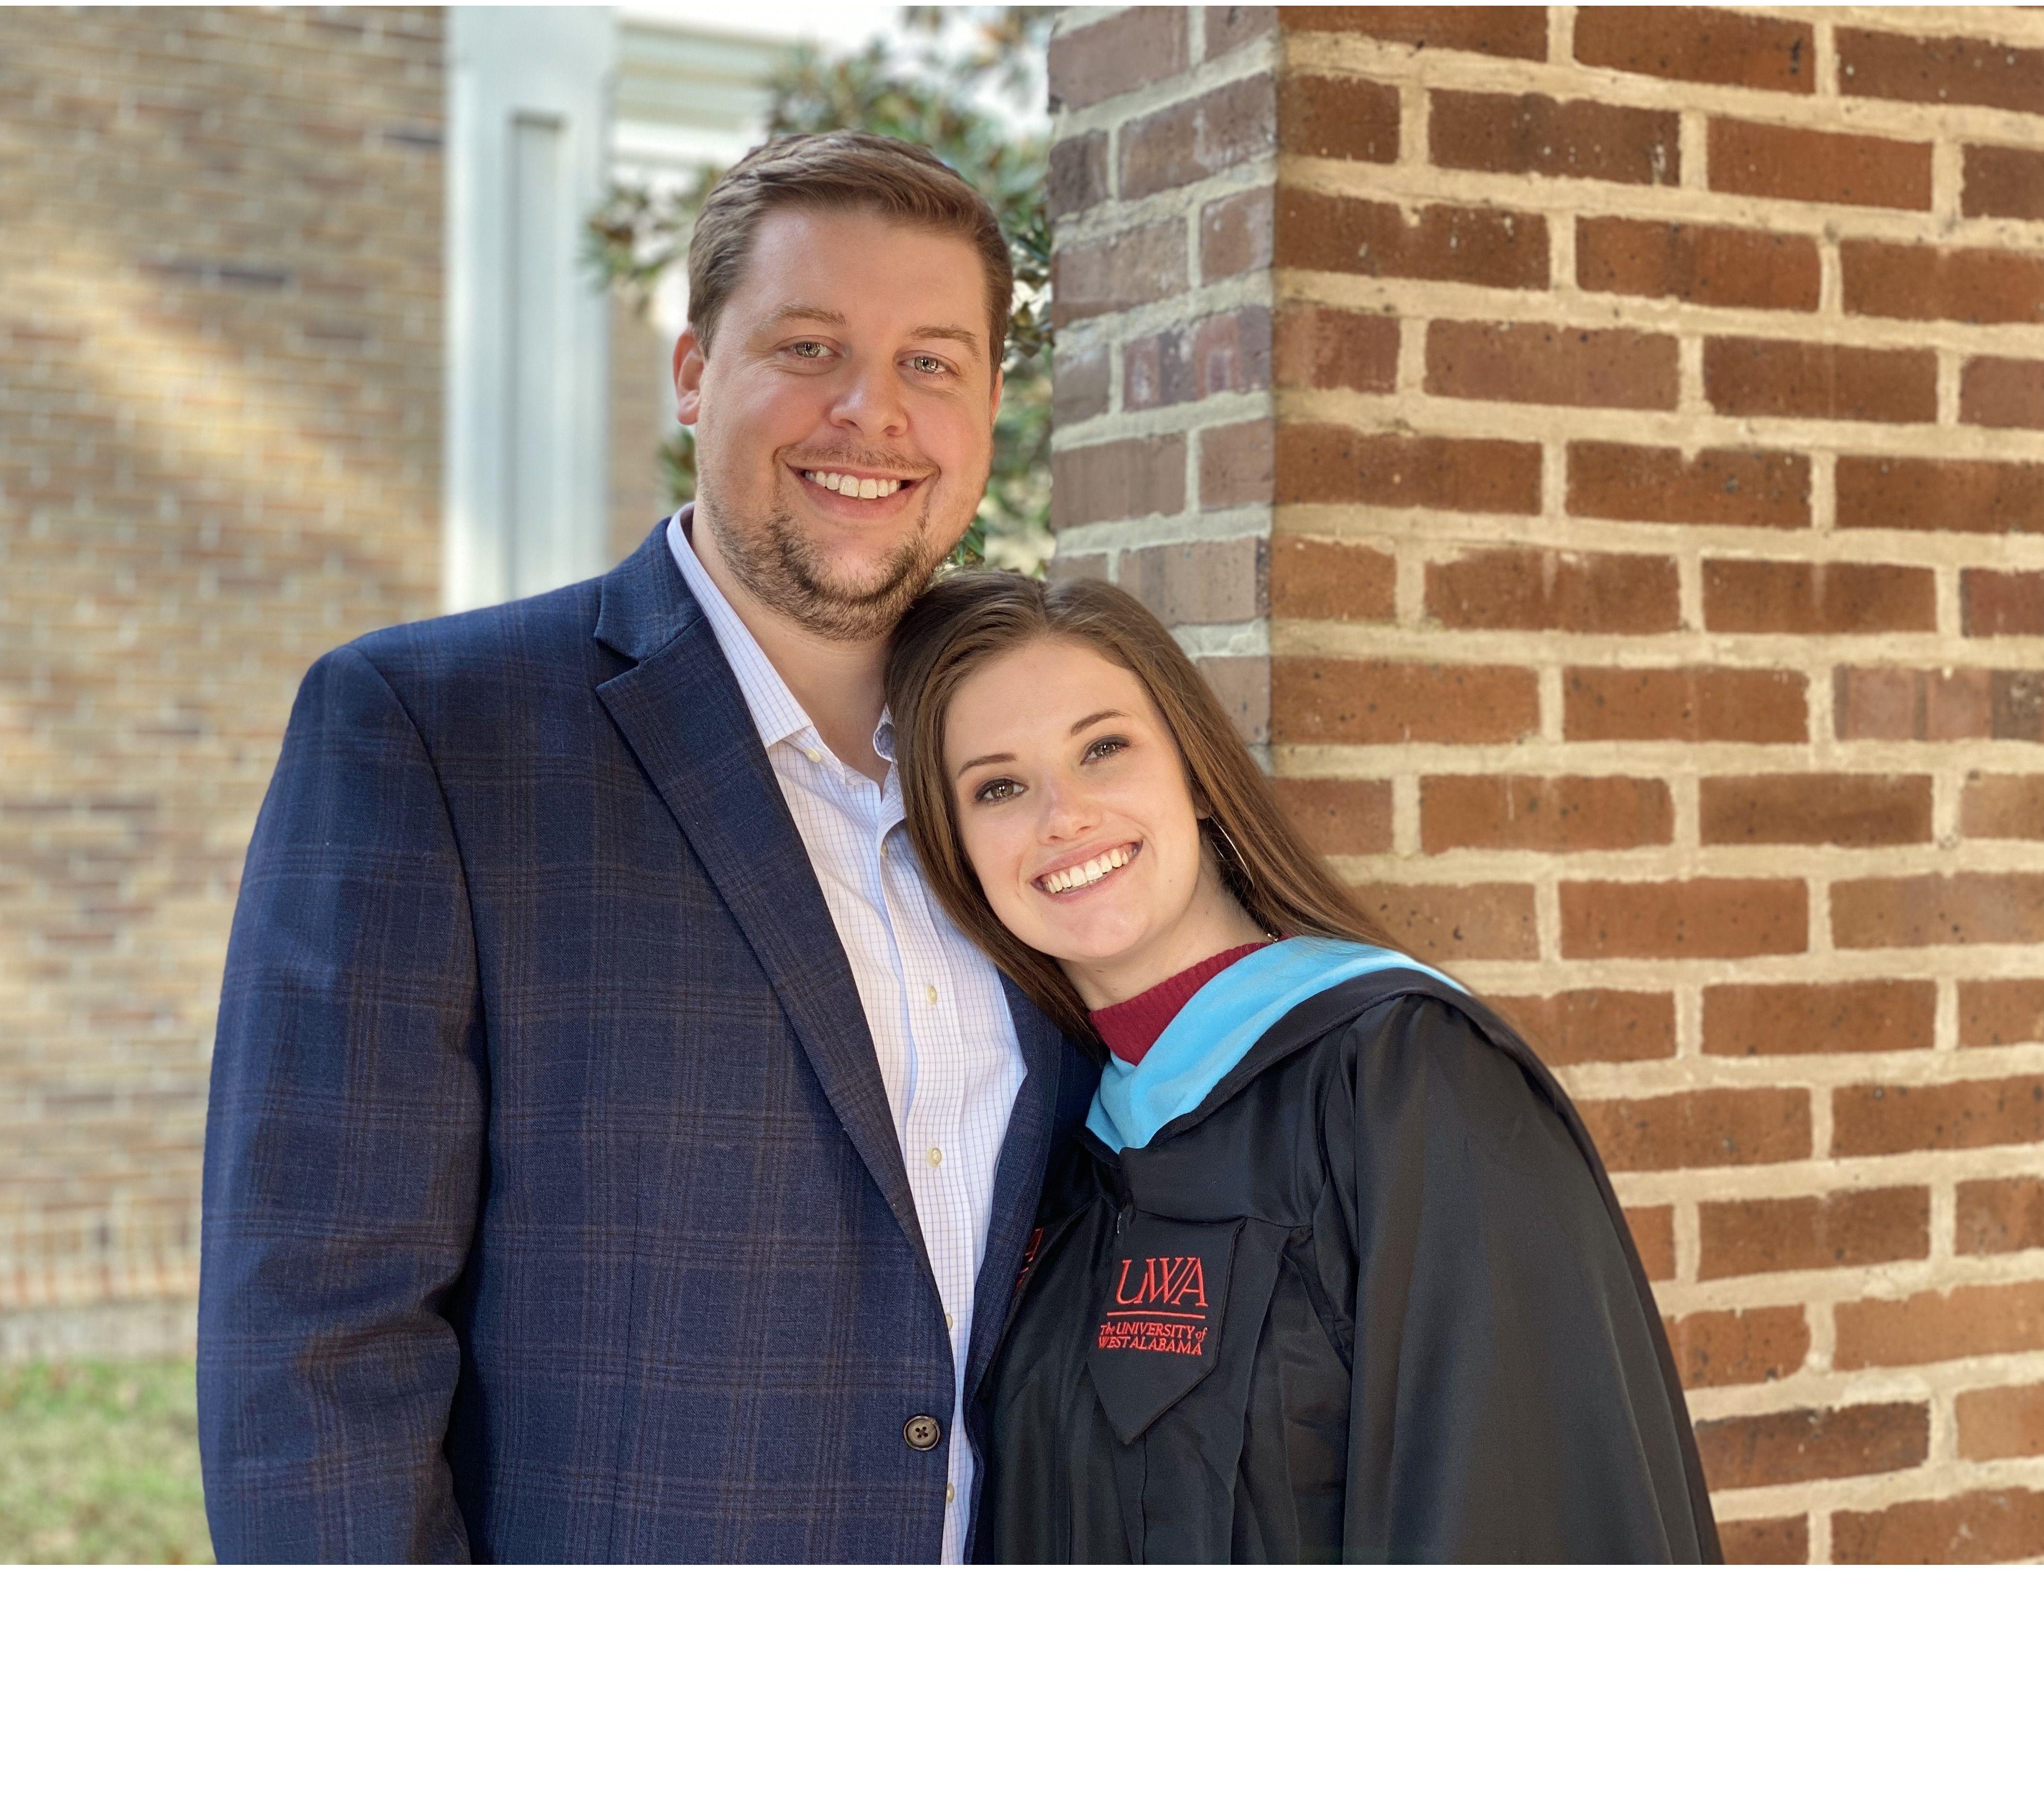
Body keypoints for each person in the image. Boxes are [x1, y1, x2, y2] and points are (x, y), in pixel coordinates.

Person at [196, 133, 1096, 1563]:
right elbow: (316, 1345)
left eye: (934, 363)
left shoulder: (1046, 769)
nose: (874, 413)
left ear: (992, 405)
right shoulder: (433, 733)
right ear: (692, 373)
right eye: (811, 347)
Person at [886, 570, 1721, 1563]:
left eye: (1104, 749)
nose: (1061, 817)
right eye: (1000, 786)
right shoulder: (1047, 1156)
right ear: (955, 848)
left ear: (1195, 774)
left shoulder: (1409, 1080)